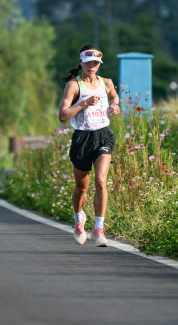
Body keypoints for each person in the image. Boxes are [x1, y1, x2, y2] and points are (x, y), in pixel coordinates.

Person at [58, 45, 121, 247]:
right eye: (87, 63)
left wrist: (115, 104)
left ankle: (98, 230)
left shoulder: (107, 82)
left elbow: (114, 96)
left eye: (95, 63)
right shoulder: (74, 86)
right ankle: (78, 222)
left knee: (101, 181)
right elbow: (62, 116)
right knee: (81, 188)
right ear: (81, 62)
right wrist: (83, 104)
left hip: (103, 136)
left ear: (99, 64)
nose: (91, 66)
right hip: (82, 139)